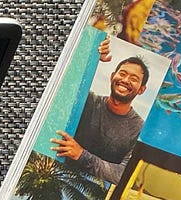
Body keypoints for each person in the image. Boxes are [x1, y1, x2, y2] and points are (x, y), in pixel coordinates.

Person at [50, 38, 150, 184]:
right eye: (122, 74)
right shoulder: (88, 101)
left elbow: (122, 175)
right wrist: (91, 57)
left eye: (134, 79)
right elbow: (62, 83)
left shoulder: (139, 130)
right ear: (112, 77)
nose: (126, 80)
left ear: (141, 89)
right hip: (56, 175)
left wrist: (82, 155)